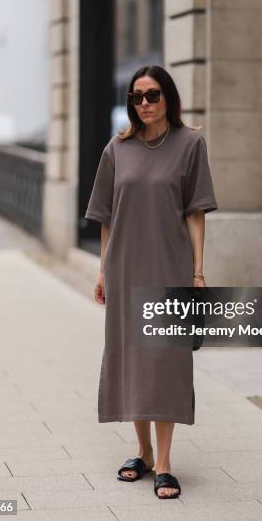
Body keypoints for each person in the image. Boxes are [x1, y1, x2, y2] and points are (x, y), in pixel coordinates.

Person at [85, 65, 217, 499]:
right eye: (137, 96)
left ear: (168, 98)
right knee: (132, 360)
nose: (144, 103)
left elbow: (195, 212)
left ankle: (163, 462)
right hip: (125, 268)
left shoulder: (190, 144)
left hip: (169, 267)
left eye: (153, 95)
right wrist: (103, 269)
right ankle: (141, 452)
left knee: (166, 363)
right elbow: (106, 217)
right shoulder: (116, 149)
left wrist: (197, 273)